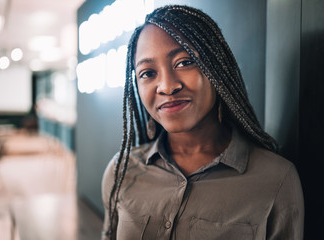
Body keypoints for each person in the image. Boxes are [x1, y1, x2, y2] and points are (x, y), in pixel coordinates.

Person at [101, 5, 304, 240]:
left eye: (184, 62)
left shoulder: (276, 179)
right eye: (147, 73)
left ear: (216, 68)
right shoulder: (122, 170)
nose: (167, 86)